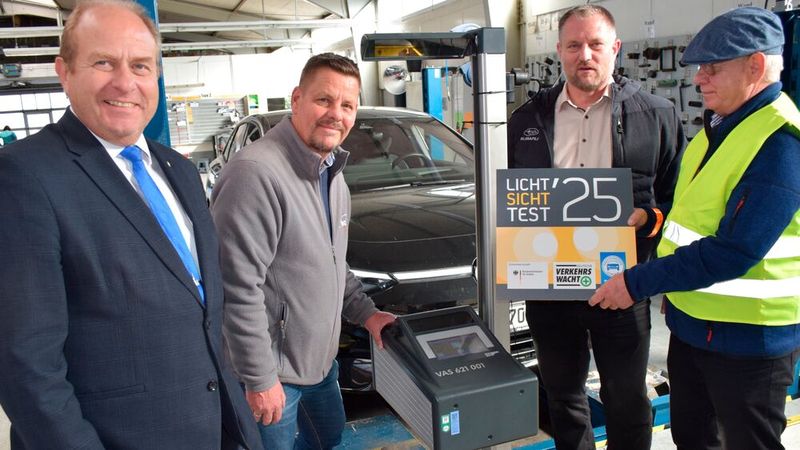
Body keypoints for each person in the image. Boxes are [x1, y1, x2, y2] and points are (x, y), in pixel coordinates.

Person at [0, 1, 261, 448]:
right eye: (103, 62)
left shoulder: (178, 170)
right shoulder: (24, 177)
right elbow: (26, 366)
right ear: (65, 72)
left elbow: (200, 312)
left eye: (141, 65)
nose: (126, 82)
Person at [590, 7, 800, 450]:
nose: (699, 78)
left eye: (712, 68)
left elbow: (735, 250)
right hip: (692, 330)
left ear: (756, 66)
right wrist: (653, 219)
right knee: (693, 438)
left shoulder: (779, 144)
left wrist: (636, 282)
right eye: (698, 68)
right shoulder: (715, 131)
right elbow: (689, 216)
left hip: (748, 344)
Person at [507, 5, 685, 449]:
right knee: (563, 397)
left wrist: (650, 220)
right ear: (560, 51)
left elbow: (676, 197)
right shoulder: (527, 119)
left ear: (615, 49)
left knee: (626, 399)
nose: (584, 54)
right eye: (573, 45)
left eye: (595, 44)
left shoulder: (657, 114)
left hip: (622, 283)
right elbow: (510, 195)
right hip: (551, 287)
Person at [210, 53, 396, 450]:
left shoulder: (331, 173)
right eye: (323, 100)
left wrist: (366, 314)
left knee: (324, 439)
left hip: (319, 365)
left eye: (347, 105)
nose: (336, 114)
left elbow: (331, 260)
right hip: (271, 375)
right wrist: (259, 378)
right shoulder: (256, 174)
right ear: (296, 100)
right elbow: (236, 286)